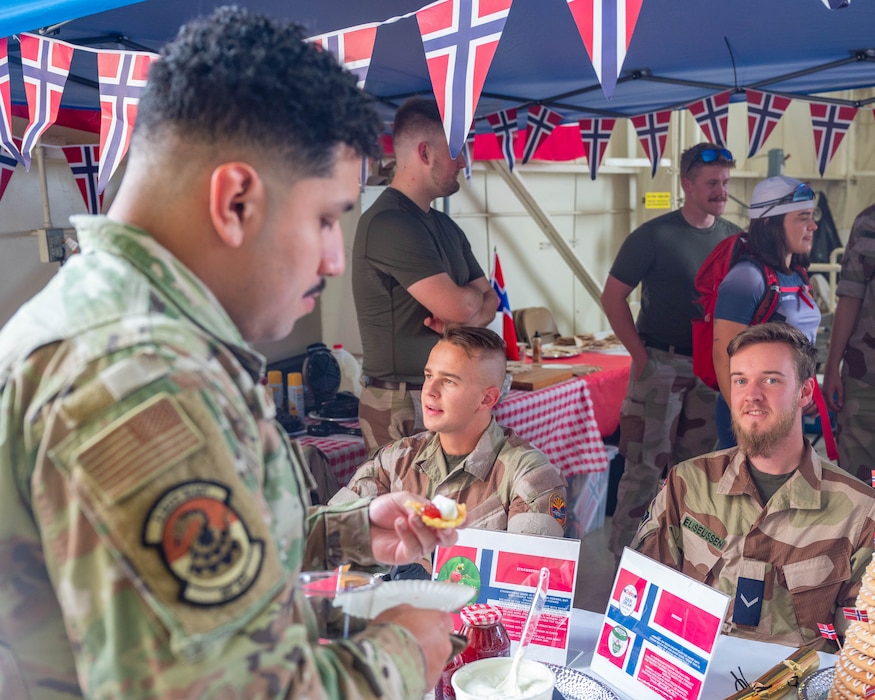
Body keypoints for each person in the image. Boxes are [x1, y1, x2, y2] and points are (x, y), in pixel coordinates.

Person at [0, 9, 462, 699]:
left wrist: (344, 533)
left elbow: (176, 592)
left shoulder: (114, 329)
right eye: (325, 219)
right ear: (236, 200)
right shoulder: (136, 378)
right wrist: (401, 652)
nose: (335, 257)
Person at [633, 323, 875, 650]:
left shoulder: (861, 512)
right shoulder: (687, 483)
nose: (752, 395)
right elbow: (637, 602)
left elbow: (861, 653)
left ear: (805, 392)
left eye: (771, 380)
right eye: (741, 381)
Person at [330, 327, 567, 577]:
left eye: (449, 381)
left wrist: (424, 572)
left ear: (487, 399)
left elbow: (522, 581)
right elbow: (333, 537)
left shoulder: (529, 475)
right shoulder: (395, 459)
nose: (429, 391)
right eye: (428, 375)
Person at [602, 142, 740, 558]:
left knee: (695, 472)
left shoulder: (733, 238)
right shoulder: (653, 236)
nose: (721, 190)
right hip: (661, 363)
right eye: (712, 183)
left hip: (709, 369)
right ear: (686, 184)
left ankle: (681, 558)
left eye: (726, 183)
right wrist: (641, 357)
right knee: (644, 471)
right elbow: (613, 298)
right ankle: (623, 562)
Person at [352, 97, 499, 456]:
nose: (464, 162)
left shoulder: (445, 226)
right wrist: (467, 311)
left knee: (452, 506)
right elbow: (464, 308)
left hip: (438, 394)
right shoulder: (390, 223)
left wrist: (466, 312)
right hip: (401, 403)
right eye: (457, 152)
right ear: (425, 152)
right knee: (409, 508)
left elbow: (489, 301)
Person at [712, 176, 820, 448]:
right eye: (802, 217)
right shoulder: (747, 279)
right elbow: (722, 355)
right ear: (771, 223)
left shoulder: (796, 275)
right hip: (754, 415)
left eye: (811, 216)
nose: (813, 225)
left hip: (786, 411)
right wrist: (745, 423)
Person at [823, 203, 875, 482]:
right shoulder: (869, 221)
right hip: (865, 378)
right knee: (858, 485)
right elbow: (850, 295)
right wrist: (833, 365)